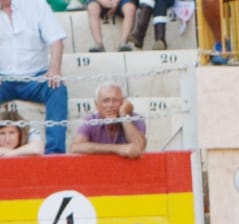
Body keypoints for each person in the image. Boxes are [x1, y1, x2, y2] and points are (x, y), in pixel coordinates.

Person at [0, 0, 68, 155]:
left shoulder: (36, 5)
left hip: (36, 77)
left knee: (57, 88)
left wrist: (55, 69)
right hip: (3, 79)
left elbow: (57, 41)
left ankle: (55, 153)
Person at [68, 82, 146, 158]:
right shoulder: (91, 120)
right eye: (106, 100)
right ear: (96, 104)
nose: (111, 105)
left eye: (115, 100)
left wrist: (123, 115)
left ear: (123, 102)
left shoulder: (135, 119)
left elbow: (139, 147)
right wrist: (118, 148)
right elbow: (75, 148)